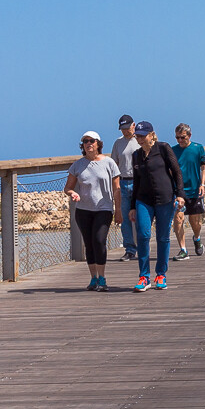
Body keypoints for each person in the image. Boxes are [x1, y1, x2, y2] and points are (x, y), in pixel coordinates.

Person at [128, 121, 185, 292]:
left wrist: (180, 194)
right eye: (137, 136)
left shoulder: (163, 148)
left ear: (151, 135)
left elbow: (177, 172)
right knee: (143, 235)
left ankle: (161, 274)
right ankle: (144, 276)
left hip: (165, 199)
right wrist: (132, 206)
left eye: (142, 135)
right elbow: (136, 181)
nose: (139, 139)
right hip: (143, 200)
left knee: (163, 237)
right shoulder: (136, 155)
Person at [64, 131, 122, 291]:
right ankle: (93, 278)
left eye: (91, 141)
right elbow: (67, 188)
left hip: (104, 208)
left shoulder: (109, 163)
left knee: (99, 240)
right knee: (89, 244)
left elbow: (117, 189)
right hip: (83, 210)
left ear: (98, 144)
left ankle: (102, 278)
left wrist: (118, 210)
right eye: (85, 141)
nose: (88, 144)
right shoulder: (77, 165)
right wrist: (72, 193)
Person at [171, 123, 205, 261]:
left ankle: (197, 238)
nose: (180, 140)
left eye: (182, 137)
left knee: (196, 222)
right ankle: (183, 250)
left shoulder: (198, 148)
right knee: (178, 219)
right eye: (177, 138)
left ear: (189, 136)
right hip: (179, 191)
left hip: (194, 189)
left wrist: (202, 184)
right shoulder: (173, 150)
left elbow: (204, 167)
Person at [111, 114, 139, 261]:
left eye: (127, 128)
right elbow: (113, 164)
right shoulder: (118, 143)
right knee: (125, 218)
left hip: (138, 182)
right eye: (123, 129)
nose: (125, 131)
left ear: (133, 125)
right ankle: (129, 249)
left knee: (141, 216)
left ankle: (143, 246)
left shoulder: (140, 140)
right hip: (123, 182)